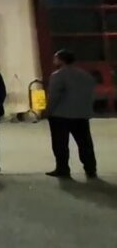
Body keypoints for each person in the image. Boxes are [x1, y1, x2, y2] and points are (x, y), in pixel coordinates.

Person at [45, 50, 98, 179]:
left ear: (61, 60)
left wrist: (48, 111)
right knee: (85, 143)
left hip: (60, 115)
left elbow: (54, 96)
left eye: (55, 58)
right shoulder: (85, 75)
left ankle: (62, 168)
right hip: (81, 115)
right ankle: (90, 168)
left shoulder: (58, 75)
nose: (54, 61)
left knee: (60, 144)